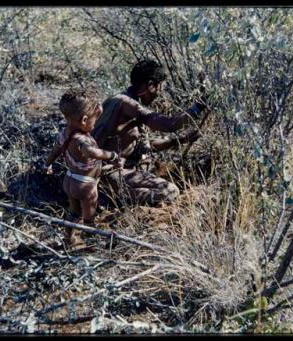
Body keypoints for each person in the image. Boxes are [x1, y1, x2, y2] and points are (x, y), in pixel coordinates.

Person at [92, 59, 207, 205]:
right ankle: (114, 196)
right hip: (109, 173)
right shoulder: (126, 104)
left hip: (125, 170)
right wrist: (199, 106)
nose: (159, 93)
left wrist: (183, 139)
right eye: (159, 87)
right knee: (170, 192)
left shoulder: (133, 103)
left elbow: (146, 145)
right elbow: (170, 124)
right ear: (150, 85)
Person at [45, 89, 122, 247]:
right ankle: (92, 242)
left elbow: (55, 151)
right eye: (95, 120)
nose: (95, 124)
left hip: (70, 178)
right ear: (84, 120)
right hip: (85, 184)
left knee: (74, 212)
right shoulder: (81, 140)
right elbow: (89, 151)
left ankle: (68, 238)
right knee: (89, 216)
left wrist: (48, 164)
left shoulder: (65, 133)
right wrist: (112, 156)